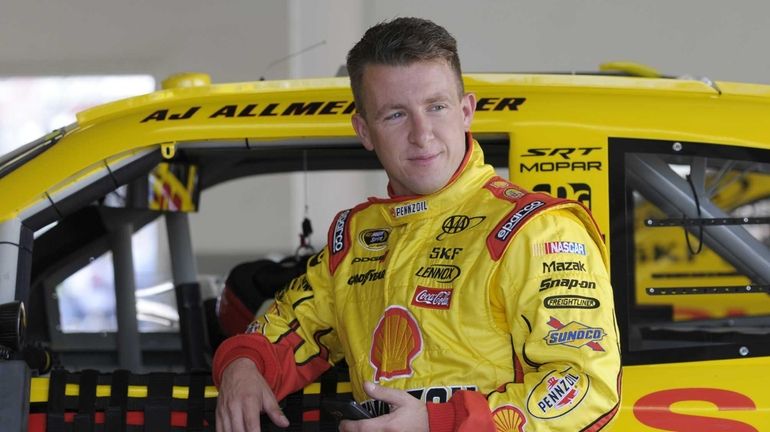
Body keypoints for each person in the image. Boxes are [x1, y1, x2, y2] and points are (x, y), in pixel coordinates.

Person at [213, 17, 621, 432]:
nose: (421, 135)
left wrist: (438, 422)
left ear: (466, 112)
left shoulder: (536, 230)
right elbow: (288, 329)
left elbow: (586, 387)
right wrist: (243, 364)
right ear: (364, 131)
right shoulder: (355, 239)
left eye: (436, 106)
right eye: (395, 115)